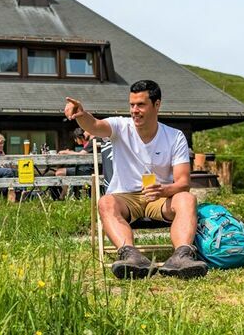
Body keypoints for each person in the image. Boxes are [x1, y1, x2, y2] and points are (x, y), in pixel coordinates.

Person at [63, 79, 208, 280]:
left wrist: (163, 190)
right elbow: (95, 125)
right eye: (132, 105)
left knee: (187, 198)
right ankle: (131, 257)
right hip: (125, 198)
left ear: (157, 104)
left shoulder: (174, 137)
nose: (134, 110)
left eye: (140, 105)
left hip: (160, 198)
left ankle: (181, 257)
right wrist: (81, 115)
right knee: (105, 202)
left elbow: (183, 183)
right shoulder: (120, 126)